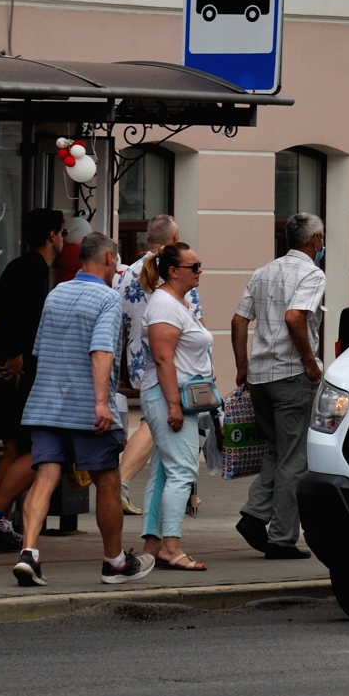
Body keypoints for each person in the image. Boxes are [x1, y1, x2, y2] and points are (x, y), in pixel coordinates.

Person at [13, 232, 154, 587]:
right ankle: (115, 562)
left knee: (45, 477)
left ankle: (29, 553)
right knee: (107, 481)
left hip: (46, 404)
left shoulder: (55, 293)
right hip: (85, 409)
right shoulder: (107, 299)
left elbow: (41, 350)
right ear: (108, 259)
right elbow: (102, 351)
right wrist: (101, 402)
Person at [230, 212, 326, 559]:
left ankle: (254, 515)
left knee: (275, 450)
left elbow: (239, 320)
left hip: (259, 377)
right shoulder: (312, 274)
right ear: (315, 241)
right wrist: (308, 361)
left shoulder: (263, 272)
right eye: (322, 240)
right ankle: (282, 538)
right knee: (295, 460)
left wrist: (242, 365)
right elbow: (295, 317)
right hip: (290, 377)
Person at [0, 209, 65, 551]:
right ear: (51, 236)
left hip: (4, 368)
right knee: (37, 449)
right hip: (13, 371)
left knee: (14, 450)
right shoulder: (32, 269)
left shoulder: (21, 267)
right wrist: (18, 356)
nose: (65, 238)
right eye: (62, 231)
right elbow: (22, 316)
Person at [115, 215, 204, 516]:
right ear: (174, 238)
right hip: (171, 366)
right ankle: (122, 482)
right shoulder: (178, 275)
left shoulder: (127, 273)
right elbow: (194, 324)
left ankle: (167, 503)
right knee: (157, 426)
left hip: (137, 359)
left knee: (157, 429)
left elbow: (119, 322)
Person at [139, 242, 211, 571]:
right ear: (173, 271)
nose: (199, 271)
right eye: (193, 267)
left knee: (165, 470)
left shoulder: (176, 303)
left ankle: (153, 544)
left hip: (176, 397)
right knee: (183, 470)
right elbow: (163, 357)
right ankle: (171, 544)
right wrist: (173, 406)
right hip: (170, 397)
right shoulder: (165, 305)